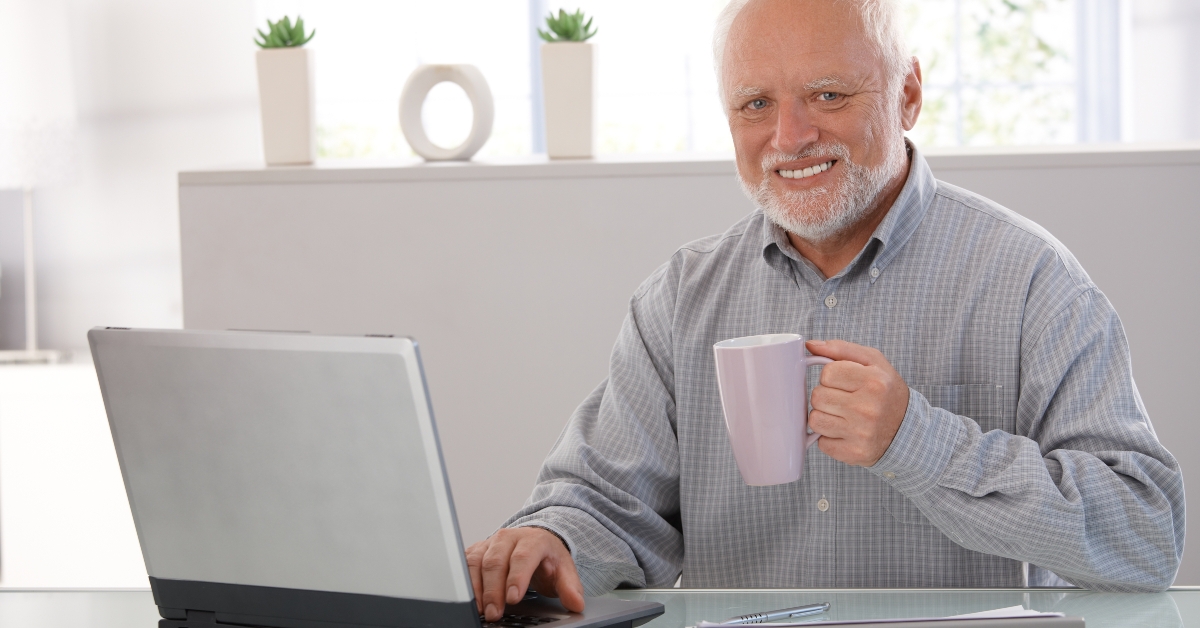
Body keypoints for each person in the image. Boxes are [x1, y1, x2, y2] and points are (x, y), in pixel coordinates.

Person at [466, 0, 1187, 621]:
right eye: (756, 105)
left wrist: (917, 440)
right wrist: (552, 541)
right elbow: (607, 507)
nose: (789, 137)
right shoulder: (679, 300)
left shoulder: (1031, 280)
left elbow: (1146, 537)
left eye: (828, 96)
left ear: (907, 94)